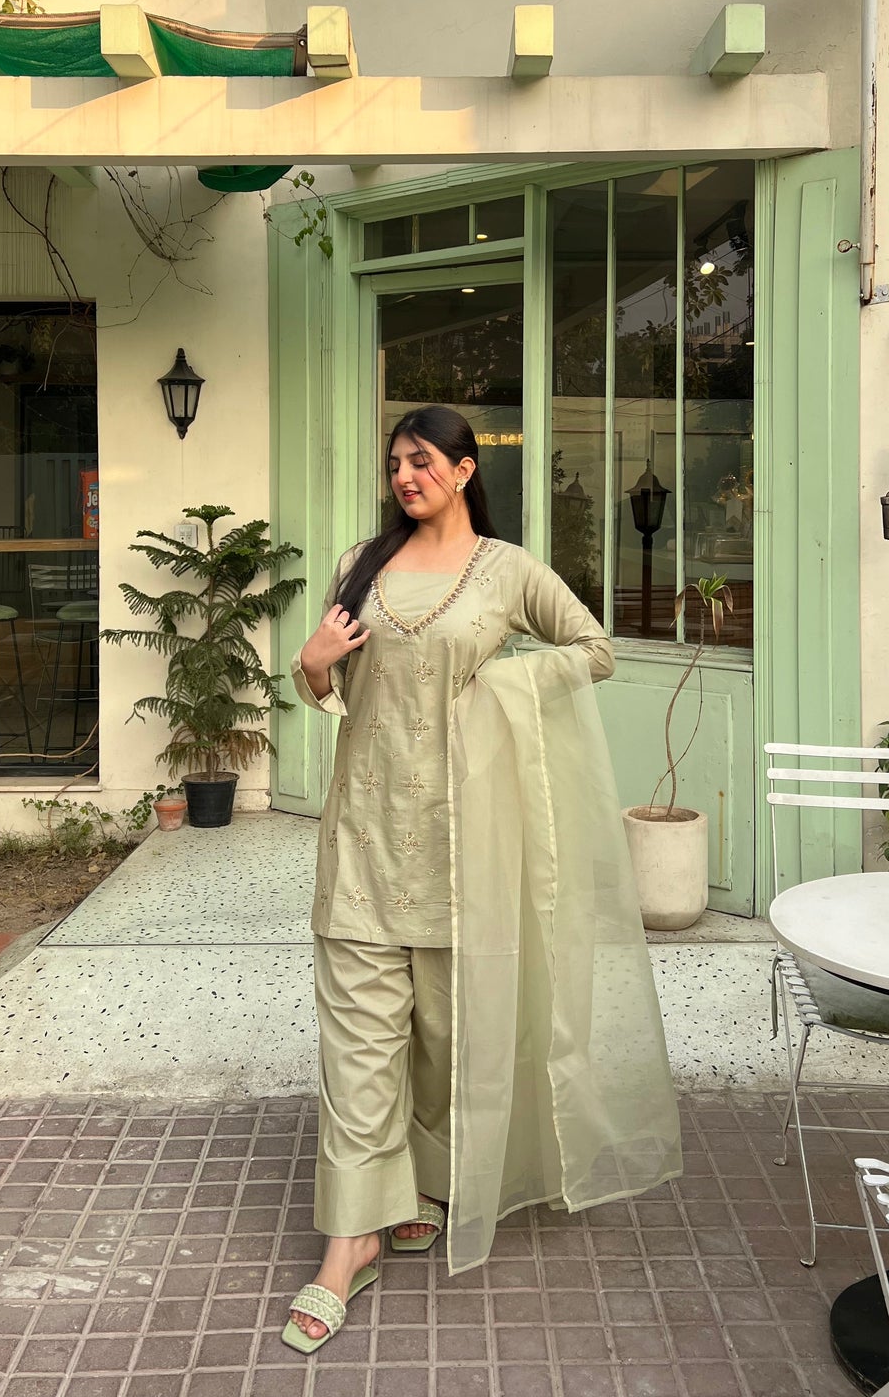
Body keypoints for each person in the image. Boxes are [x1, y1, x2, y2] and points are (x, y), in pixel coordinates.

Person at [283, 406, 681, 1353]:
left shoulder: (507, 571)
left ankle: (422, 1185)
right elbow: (329, 689)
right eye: (395, 462)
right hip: (365, 840)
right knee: (358, 1045)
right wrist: (310, 667)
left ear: (465, 470)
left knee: (445, 1035)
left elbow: (594, 649)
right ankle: (349, 1241)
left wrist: (501, 686)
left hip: (470, 846)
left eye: (422, 461)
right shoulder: (360, 564)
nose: (405, 476)